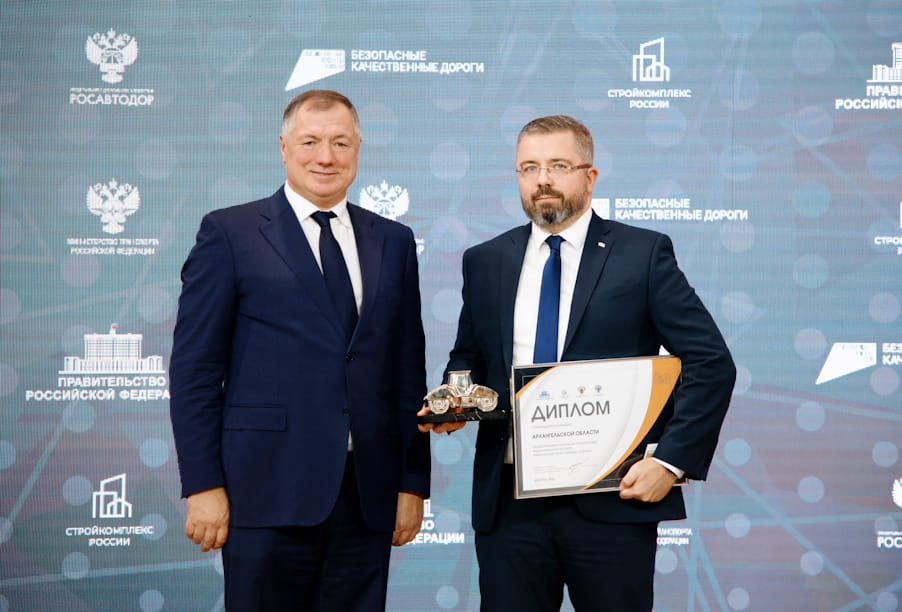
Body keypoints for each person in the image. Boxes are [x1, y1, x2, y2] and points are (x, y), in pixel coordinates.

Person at [419, 115, 736, 611]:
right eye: (529, 168)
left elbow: (710, 362)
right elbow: (469, 357)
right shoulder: (485, 260)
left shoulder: (642, 253)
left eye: (558, 166)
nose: (542, 179)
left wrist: (669, 462)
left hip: (612, 500)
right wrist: (456, 401)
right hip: (509, 506)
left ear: (590, 176)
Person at [169, 89, 430, 611]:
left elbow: (406, 371)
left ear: (358, 149)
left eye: (340, 143)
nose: (325, 157)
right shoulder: (230, 233)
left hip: (367, 496)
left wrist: (411, 483)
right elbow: (195, 369)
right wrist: (202, 484)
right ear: (284, 147)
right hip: (264, 490)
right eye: (310, 142)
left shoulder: (394, 240)